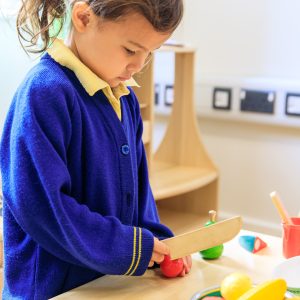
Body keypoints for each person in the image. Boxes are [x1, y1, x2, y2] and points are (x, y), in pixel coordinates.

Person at [0, 0, 192, 299]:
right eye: (130, 50)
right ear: (83, 17)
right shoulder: (45, 93)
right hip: (52, 291)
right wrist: (127, 246)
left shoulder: (123, 97)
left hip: (107, 286)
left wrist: (159, 242)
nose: (138, 66)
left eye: (149, 53)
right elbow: (43, 207)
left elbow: (139, 191)